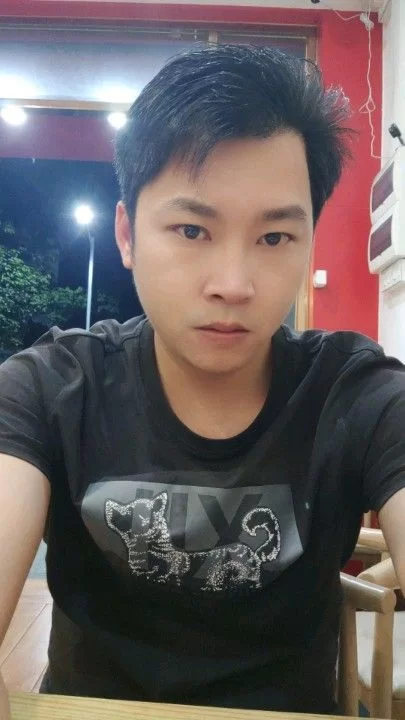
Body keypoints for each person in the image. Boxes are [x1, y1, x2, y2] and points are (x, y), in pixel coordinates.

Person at [0, 44, 404, 719]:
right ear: (127, 234)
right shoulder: (51, 388)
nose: (233, 285)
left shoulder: (355, 393)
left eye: (273, 238)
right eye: (192, 229)